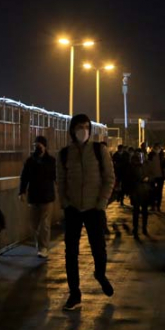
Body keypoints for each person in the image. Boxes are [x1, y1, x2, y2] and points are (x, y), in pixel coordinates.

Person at [56, 114, 115, 311]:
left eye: (86, 126)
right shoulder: (64, 154)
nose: (83, 130)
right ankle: (75, 293)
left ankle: (100, 274)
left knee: (98, 248)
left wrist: (102, 203)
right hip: (73, 209)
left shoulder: (99, 150)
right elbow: (61, 181)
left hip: (94, 208)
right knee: (70, 252)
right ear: (72, 130)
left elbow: (109, 178)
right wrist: (64, 202)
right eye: (79, 127)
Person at [19, 135, 57, 258]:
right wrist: (22, 191)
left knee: (44, 224)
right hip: (34, 197)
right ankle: (39, 245)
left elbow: (56, 176)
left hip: (47, 196)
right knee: (34, 224)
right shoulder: (30, 161)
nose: (37, 147)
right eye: (35, 145)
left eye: (39, 145)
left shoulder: (51, 161)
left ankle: (44, 247)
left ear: (45, 146)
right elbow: (24, 177)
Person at [125, 148, 152, 237]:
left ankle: (142, 228)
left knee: (142, 211)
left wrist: (148, 179)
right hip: (137, 191)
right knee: (137, 211)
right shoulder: (132, 166)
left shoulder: (146, 165)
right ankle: (136, 229)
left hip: (143, 191)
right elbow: (129, 179)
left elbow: (151, 175)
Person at [148, 144, 165, 211]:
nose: (157, 149)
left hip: (160, 176)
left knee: (159, 192)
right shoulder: (151, 155)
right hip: (152, 176)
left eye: (158, 148)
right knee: (152, 191)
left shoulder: (162, 156)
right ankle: (152, 206)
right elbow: (148, 165)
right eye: (156, 148)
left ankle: (158, 206)